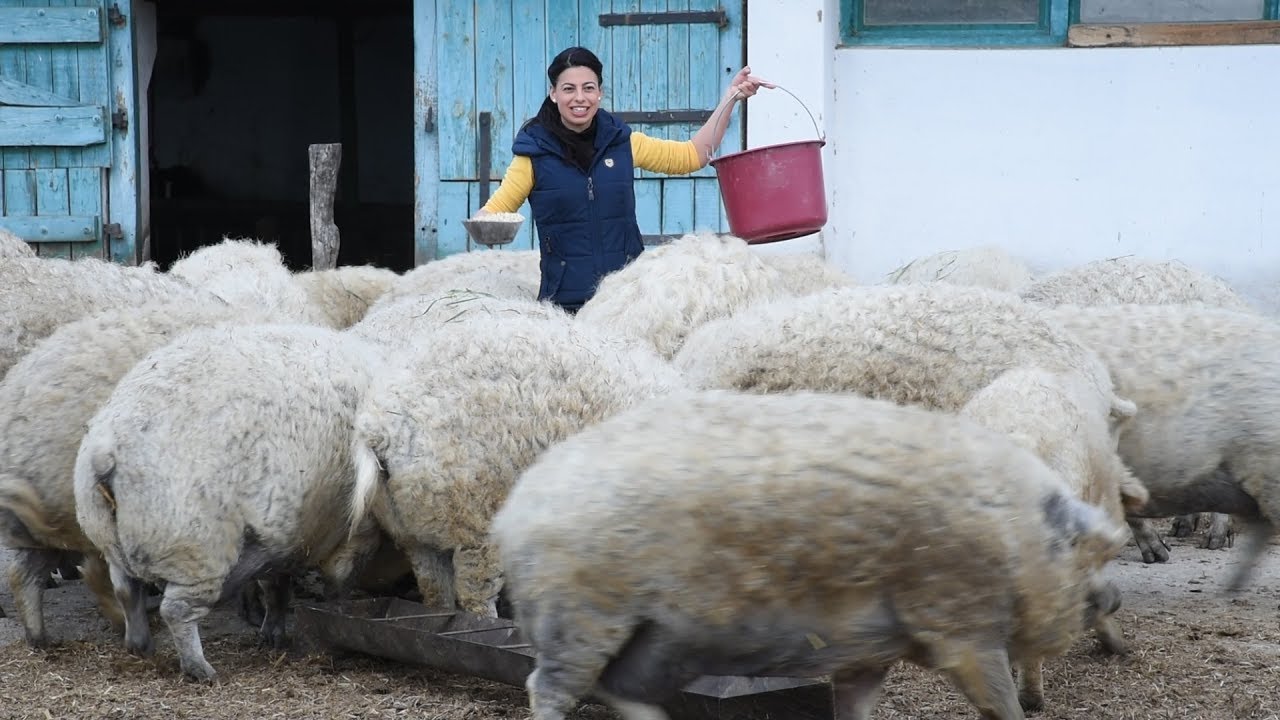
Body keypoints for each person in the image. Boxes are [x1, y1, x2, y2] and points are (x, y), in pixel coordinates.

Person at [473, 46, 773, 314]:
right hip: (564, 307)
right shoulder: (533, 155)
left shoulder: (623, 142)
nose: (580, 98)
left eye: (588, 88)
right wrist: (483, 225)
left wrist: (730, 98)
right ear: (553, 94)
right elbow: (497, 210)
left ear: (600, 92)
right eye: (569, 89)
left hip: (628, 304)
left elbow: (692, 155)